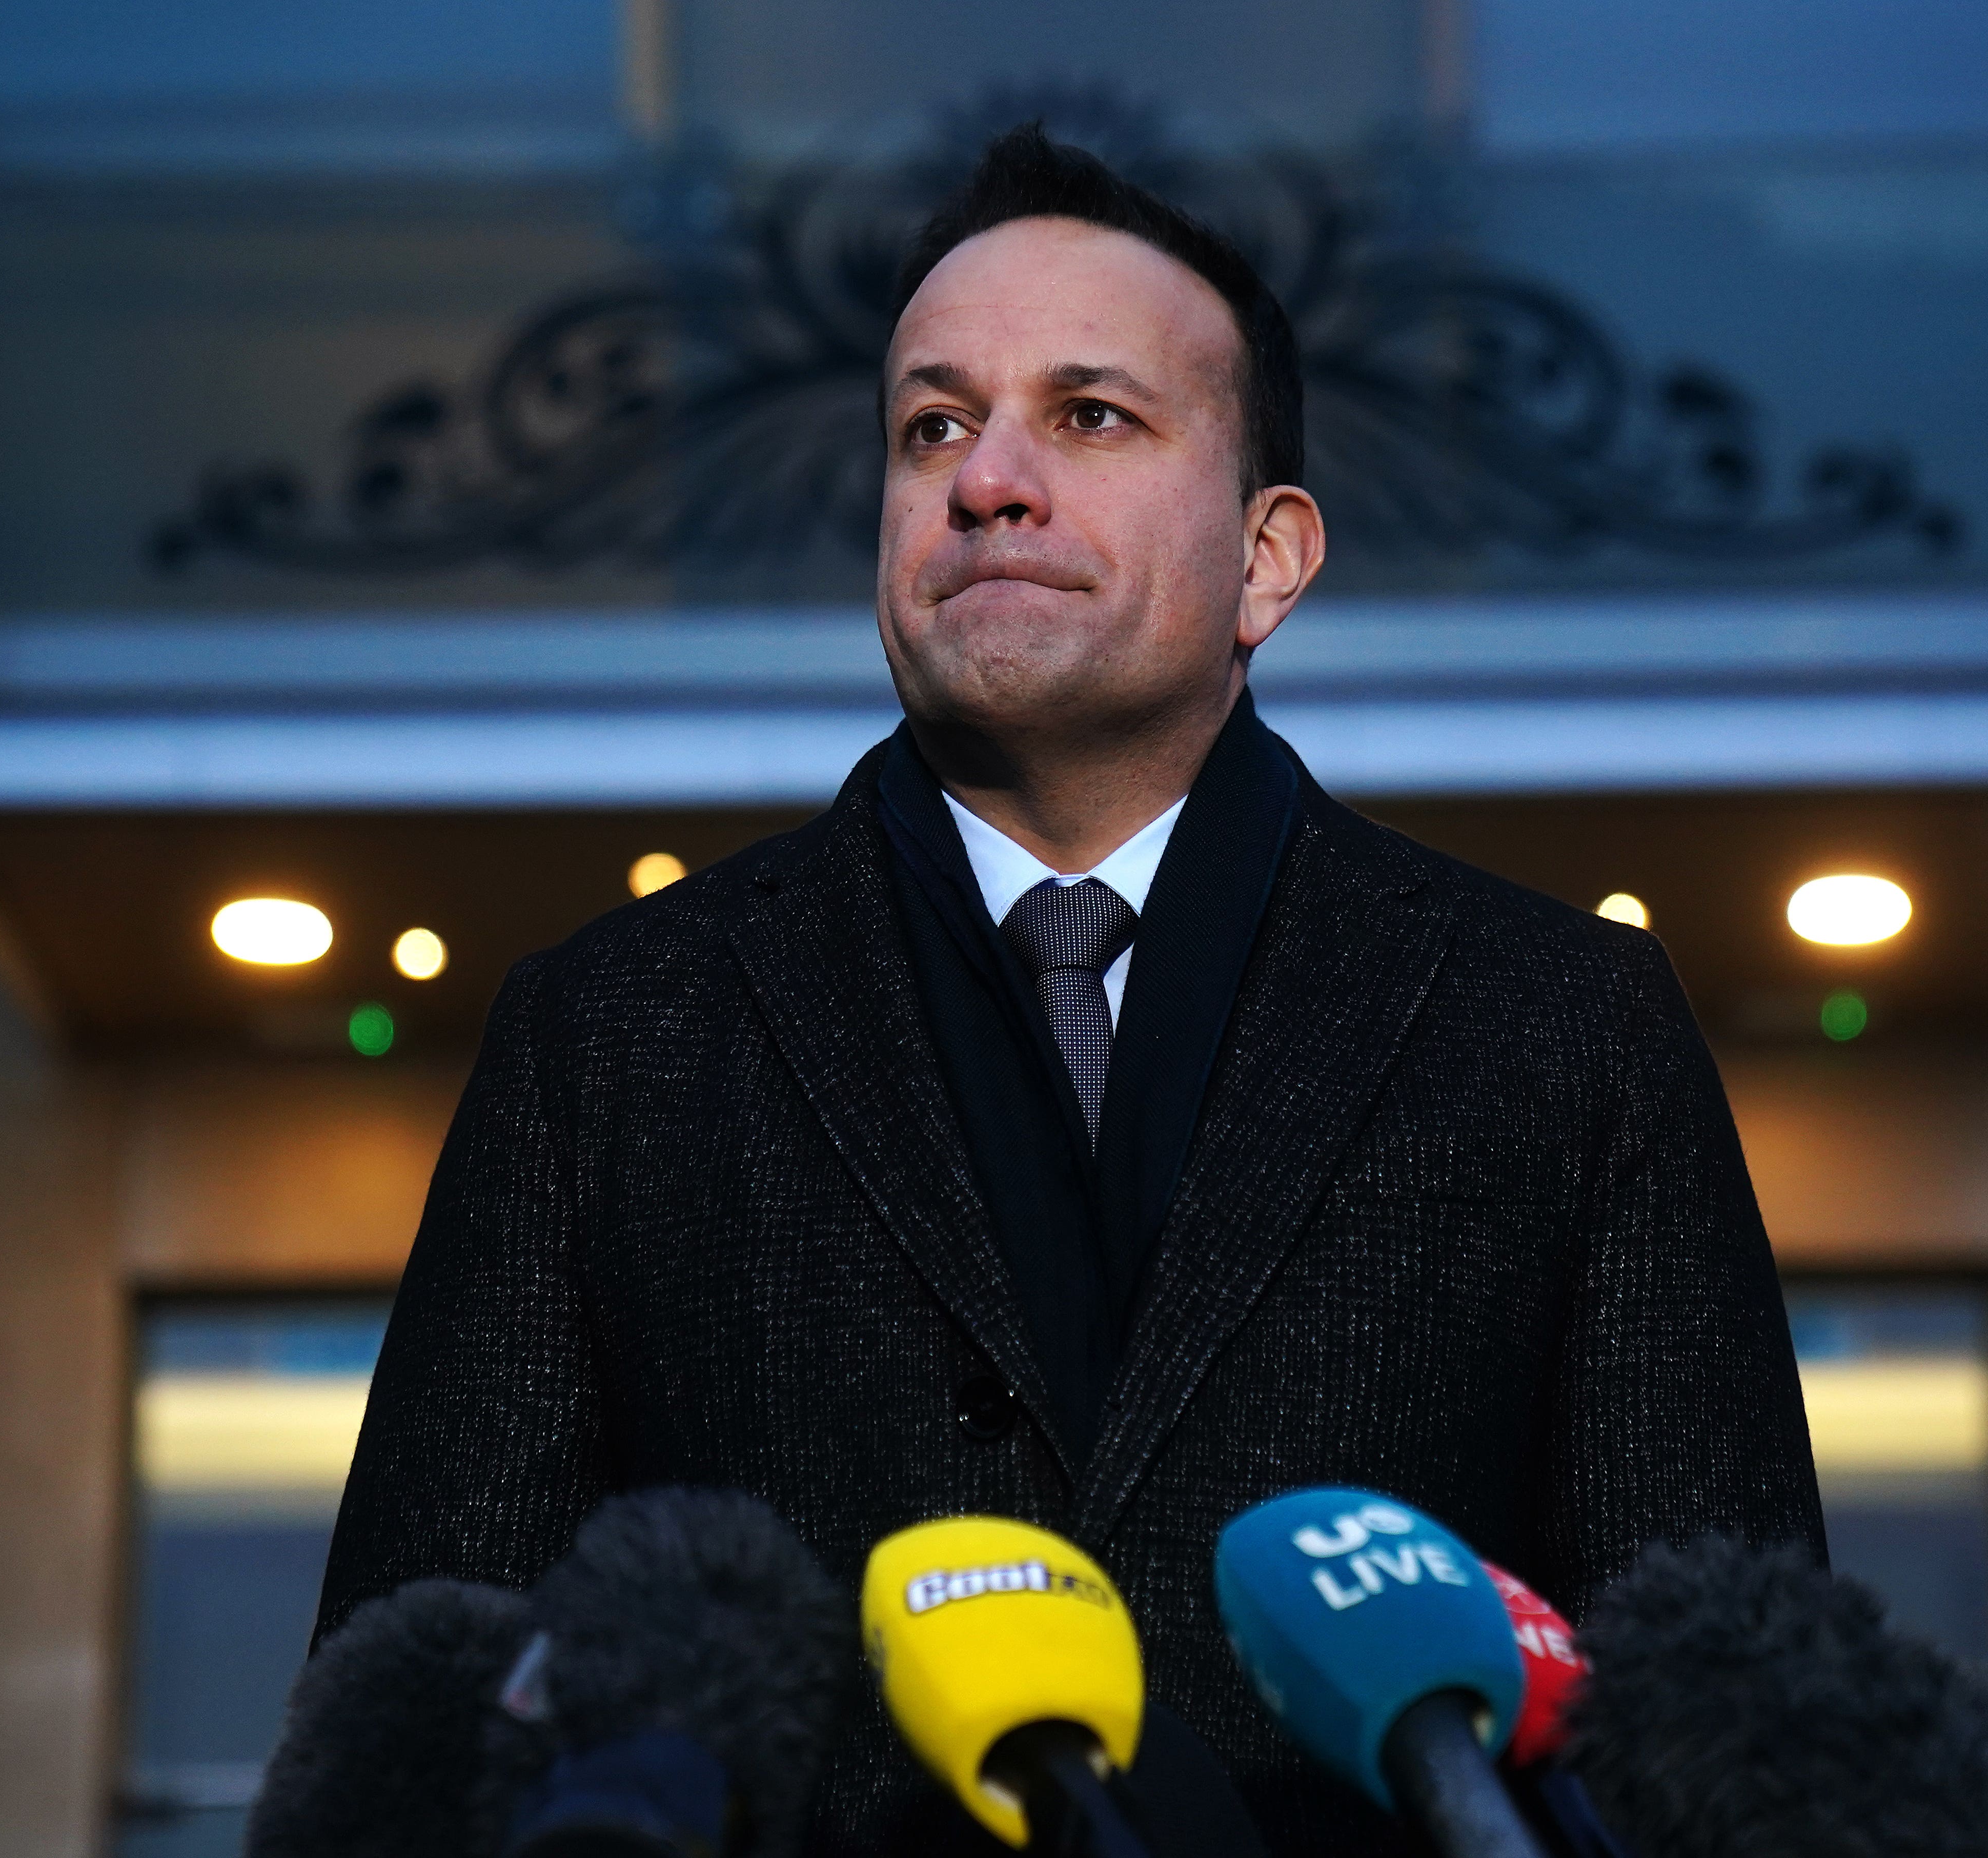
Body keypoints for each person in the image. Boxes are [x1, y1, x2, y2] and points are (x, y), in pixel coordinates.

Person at [316, 126, 1822, 1856]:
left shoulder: (1567, 1027)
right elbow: (409, 1724)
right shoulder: (604, 1035)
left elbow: (1728, 1733)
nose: (985, 482)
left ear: (1271, 556)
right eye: (932, 426)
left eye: (1089, 417)